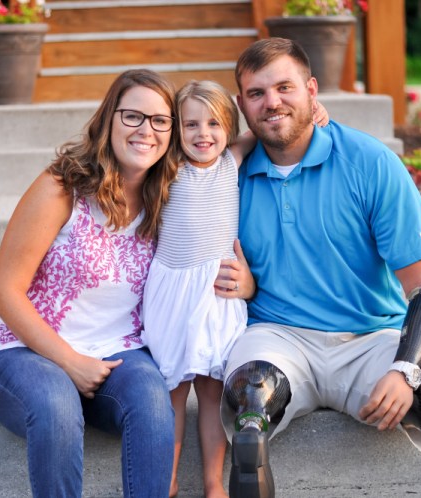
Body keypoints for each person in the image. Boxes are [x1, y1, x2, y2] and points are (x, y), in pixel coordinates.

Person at [214, 38, 421, 498]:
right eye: (256, 93)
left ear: (312, 89)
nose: (272, 103)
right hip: (279, 334)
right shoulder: (226, 175)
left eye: (285, 87)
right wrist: (248, 286)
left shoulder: (370, 162)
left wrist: (406, 367)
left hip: (371, 337)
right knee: (250, 403)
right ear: (242, 105)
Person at [0, 69, 178, 498]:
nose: (146, 130)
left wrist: (313, 118)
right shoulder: (61, 188)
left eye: (160, 120)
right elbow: (3, 289)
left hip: (117, 356)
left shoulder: (167, 197)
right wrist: (69, 361)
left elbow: (226, 145)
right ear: (108, 120)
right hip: (26, 353)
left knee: (151, 400)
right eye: (132, 116)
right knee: (55, 405)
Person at [143, 80, 329, 498]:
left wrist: (316, 111)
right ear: (175, 128)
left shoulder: (232, 159)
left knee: (213, 395)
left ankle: (213, 485)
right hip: (173, 293)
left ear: (228, 125)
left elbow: (259, 130)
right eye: (190, 124)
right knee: (173, 395)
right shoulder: (167, 166)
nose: (202, 133)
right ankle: (166, 481)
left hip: (218, 293)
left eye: (212, 122)